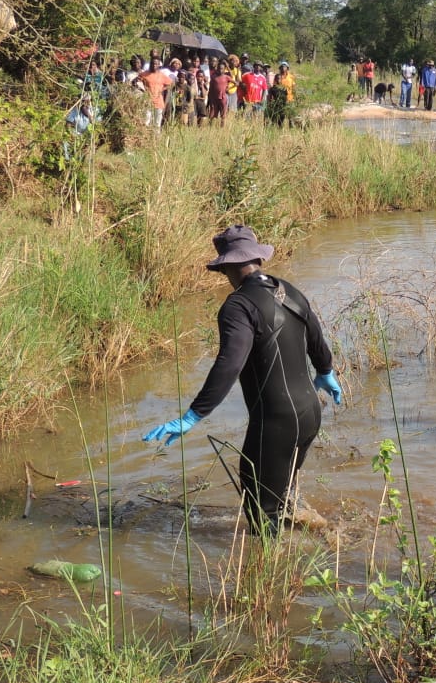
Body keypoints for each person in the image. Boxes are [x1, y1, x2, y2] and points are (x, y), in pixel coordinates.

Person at [142, 225, 342, 533]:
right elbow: (316, 340)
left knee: (259, 507)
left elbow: (229, 363)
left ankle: (271, 574)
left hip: (276, 421)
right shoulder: (291, 291)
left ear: (230, 266)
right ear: (257, 259)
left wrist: (193, 415)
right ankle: (313, 538)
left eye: (223, 271)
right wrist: (326, 373)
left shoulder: (238, 306)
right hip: (310, 413)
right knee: (282, 495)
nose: (225, 277)